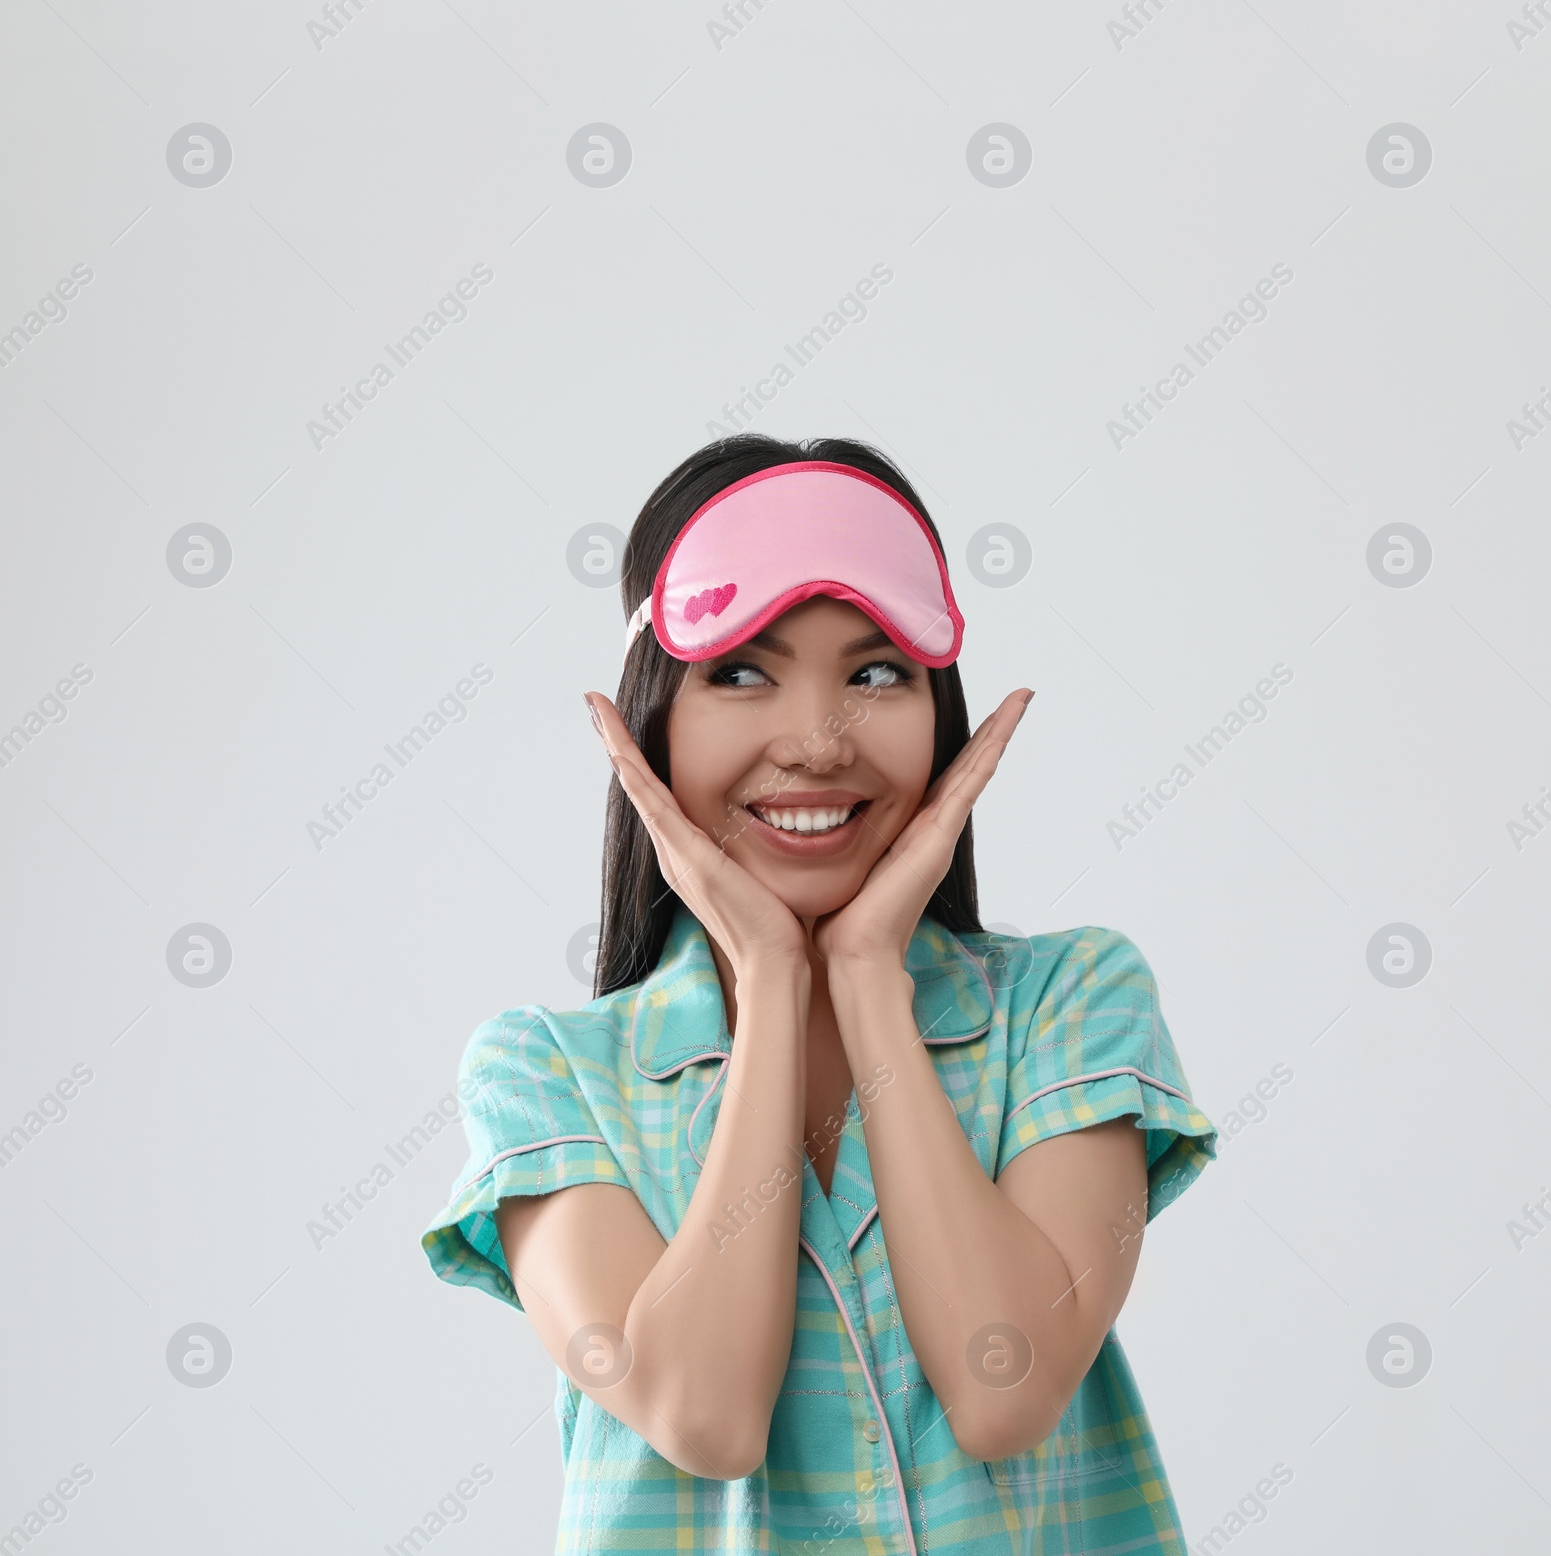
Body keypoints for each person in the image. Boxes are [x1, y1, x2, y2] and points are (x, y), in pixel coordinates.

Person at [420, 435, 1219, 1554]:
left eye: (875, 671)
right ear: (651, 715)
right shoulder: (546, 1074)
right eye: (741, 671)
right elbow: (702, 1412)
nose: (813, 740)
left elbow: (1007, 1387)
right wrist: (766, 975)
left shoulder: (1069, 1004)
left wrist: (864, 979)